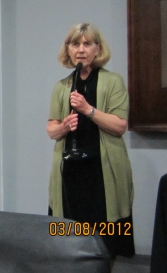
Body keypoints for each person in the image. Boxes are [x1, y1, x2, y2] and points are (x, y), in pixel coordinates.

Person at [46, 23, 134, 259]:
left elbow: (119, 126)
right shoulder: (62, 86)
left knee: (106, 240)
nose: (81, 50)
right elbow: (51, 129)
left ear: (98, 49)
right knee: (69, 235)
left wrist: (88, 110)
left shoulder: (113, 82)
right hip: (70, 172)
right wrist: (63, 126)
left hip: (102, 172)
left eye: (87, 44)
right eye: (75, 44)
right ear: (68, 50)